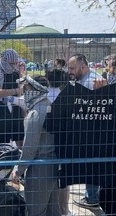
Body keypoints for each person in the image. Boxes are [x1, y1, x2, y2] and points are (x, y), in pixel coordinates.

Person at [12, 75, 61, 216]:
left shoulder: (35, 113)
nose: (23, 92)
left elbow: (30, 148)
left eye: (25, 88)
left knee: (36, 211)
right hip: (53, 165)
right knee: (53, 210)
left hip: (39, 167)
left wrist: (18, 169)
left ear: (34, 90)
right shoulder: (48, 106)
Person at [66, 54, 102, 209]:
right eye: (69, 68)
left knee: (92, 164)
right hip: (92, 132)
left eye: (73, 68)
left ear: (83, 66)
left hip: (93, 132)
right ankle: (92, 195)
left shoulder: (90, 82)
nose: (70, 71)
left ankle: (92, 198)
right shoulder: (87, 79)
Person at [46, 67, 74, 216]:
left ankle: (54, 209)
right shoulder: (67, 96)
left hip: (47, 143)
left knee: (50, 179)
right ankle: (64, 210)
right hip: (64, 142)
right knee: (64, 180)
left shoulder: (44, 96)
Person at [0, 49, 24, 147]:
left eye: (16, 63)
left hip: (16, 110)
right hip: (0, 111)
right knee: (2, 144)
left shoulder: (16, 72)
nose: (14, 65)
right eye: (12, 63)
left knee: (20, 140)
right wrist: (15, 91)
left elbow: (22, 90)